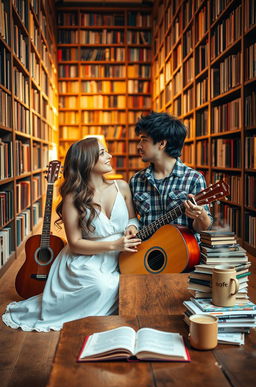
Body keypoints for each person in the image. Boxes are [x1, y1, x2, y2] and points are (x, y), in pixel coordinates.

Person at [2, 138, 141, 332]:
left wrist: (132, 228)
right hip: (86, 259)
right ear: (86, 160)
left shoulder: (122, 187)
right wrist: (114, 245)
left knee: (130, 284)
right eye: (102, 153)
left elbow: (133, 219)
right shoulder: (72, 196)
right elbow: (75, 244)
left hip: (123, 255)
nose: (109, 156)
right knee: (103, 285)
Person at [129, 112, 213, 241]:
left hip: (183, 253)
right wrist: (132, 227)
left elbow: (203, 229)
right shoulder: (136, 180)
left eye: (144, 140)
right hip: (146, 253)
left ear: (162, 144)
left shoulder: (193, 179)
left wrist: (200, 215)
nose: (138, 146)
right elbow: (131, 220)